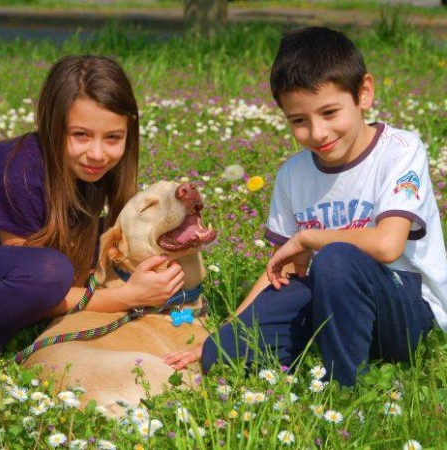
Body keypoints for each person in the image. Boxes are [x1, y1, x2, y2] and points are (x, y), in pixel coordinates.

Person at [163, 27, 447, 386]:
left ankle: (343, 388)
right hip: (331, 301)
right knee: (223, 353)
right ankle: (296, 363)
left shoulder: (401, 150)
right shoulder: (293, 174)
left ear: (364, 93)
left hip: (407, 311)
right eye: (299, 120)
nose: (318, 133)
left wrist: (309, 238)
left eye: (329, 112)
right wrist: (222, 333)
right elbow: (279, 272)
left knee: (336, 258)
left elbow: (388, 245)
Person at [0, 55, 185, 355]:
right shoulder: (17, 172)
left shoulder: (89, 169)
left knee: (120, 236)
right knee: (50, 272)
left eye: (113, 137)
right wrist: (129, 296)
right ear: (52, 124)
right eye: (80, 135)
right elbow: (41, 287)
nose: (97, 153)